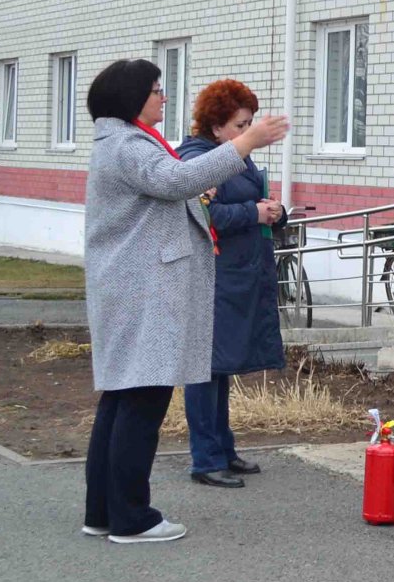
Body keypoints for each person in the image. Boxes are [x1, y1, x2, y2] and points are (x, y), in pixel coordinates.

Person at [81, 59, 287, 544]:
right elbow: (172, 182)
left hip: (133, 287)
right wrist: (246, 143)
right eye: (156, 90)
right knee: (142, 403)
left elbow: (165, 191)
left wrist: (200, 190)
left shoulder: (124, 142)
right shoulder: (128, 144)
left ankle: (103, 511)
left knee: (121, 400)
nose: (163, 98)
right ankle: (132, 518)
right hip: (142, 289)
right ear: (132, 97)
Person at [176, 79, 287, 489]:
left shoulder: (233, 155)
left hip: (241, 271)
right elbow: (204, 215)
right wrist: (253, 213)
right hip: (215, 274)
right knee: (205, 367)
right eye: (242, 124)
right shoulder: (197, 158)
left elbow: (245, 201)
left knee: (220, 366)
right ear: (217, 125)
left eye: (250, 123)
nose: (249, 131)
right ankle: (205, 458)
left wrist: (275, 211)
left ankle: (223, 448)